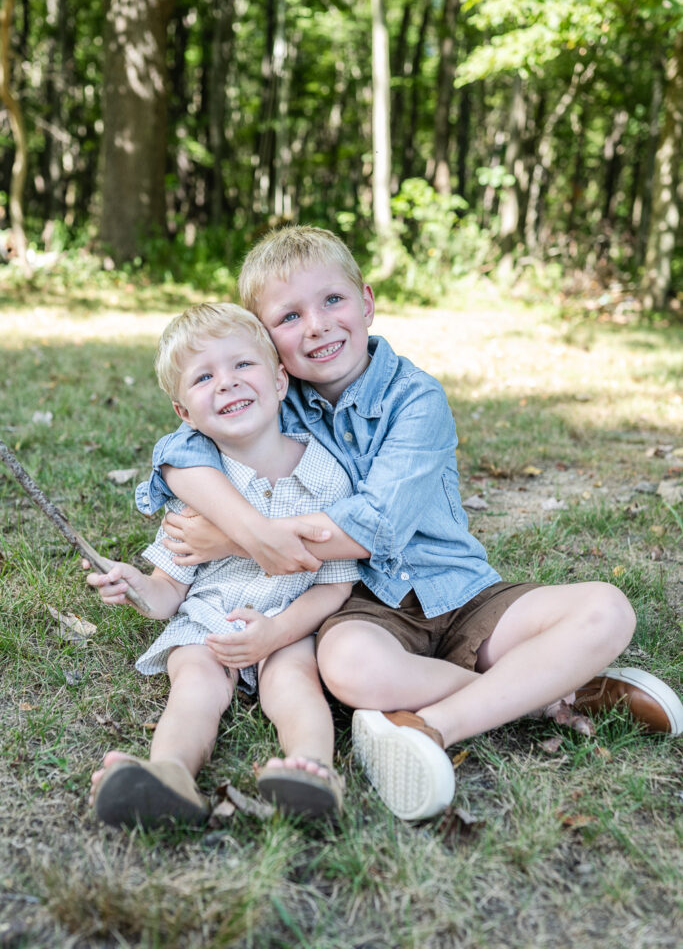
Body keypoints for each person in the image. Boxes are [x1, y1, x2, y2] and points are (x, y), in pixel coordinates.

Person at [159, 226, 683, 822]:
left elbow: (373, 529)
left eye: (333, 301)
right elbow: (178, 450)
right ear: (269, 344)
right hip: (365, 604)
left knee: (606, 609)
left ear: (368, 303)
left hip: (460, 593)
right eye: (290, 316)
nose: (317, 326)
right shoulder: (277, 396)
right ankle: (546, 693)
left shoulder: (416, 400)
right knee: (348, 665)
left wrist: (235, 537)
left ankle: (430, 726)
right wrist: (243, 524)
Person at [85, 302, 359, 828]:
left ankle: (312, 771)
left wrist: (275, 632)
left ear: (281, 381)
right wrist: (137, 586)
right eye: (204, 376)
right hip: (208, 621)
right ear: (184, 412)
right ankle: (169, 774)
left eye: (242, 366)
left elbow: (333, 588)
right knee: (194, 685)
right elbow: (170, 587)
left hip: (288, 619)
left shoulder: (326, 476)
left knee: (294, 683)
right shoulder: (199, 489)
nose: (227, 384)